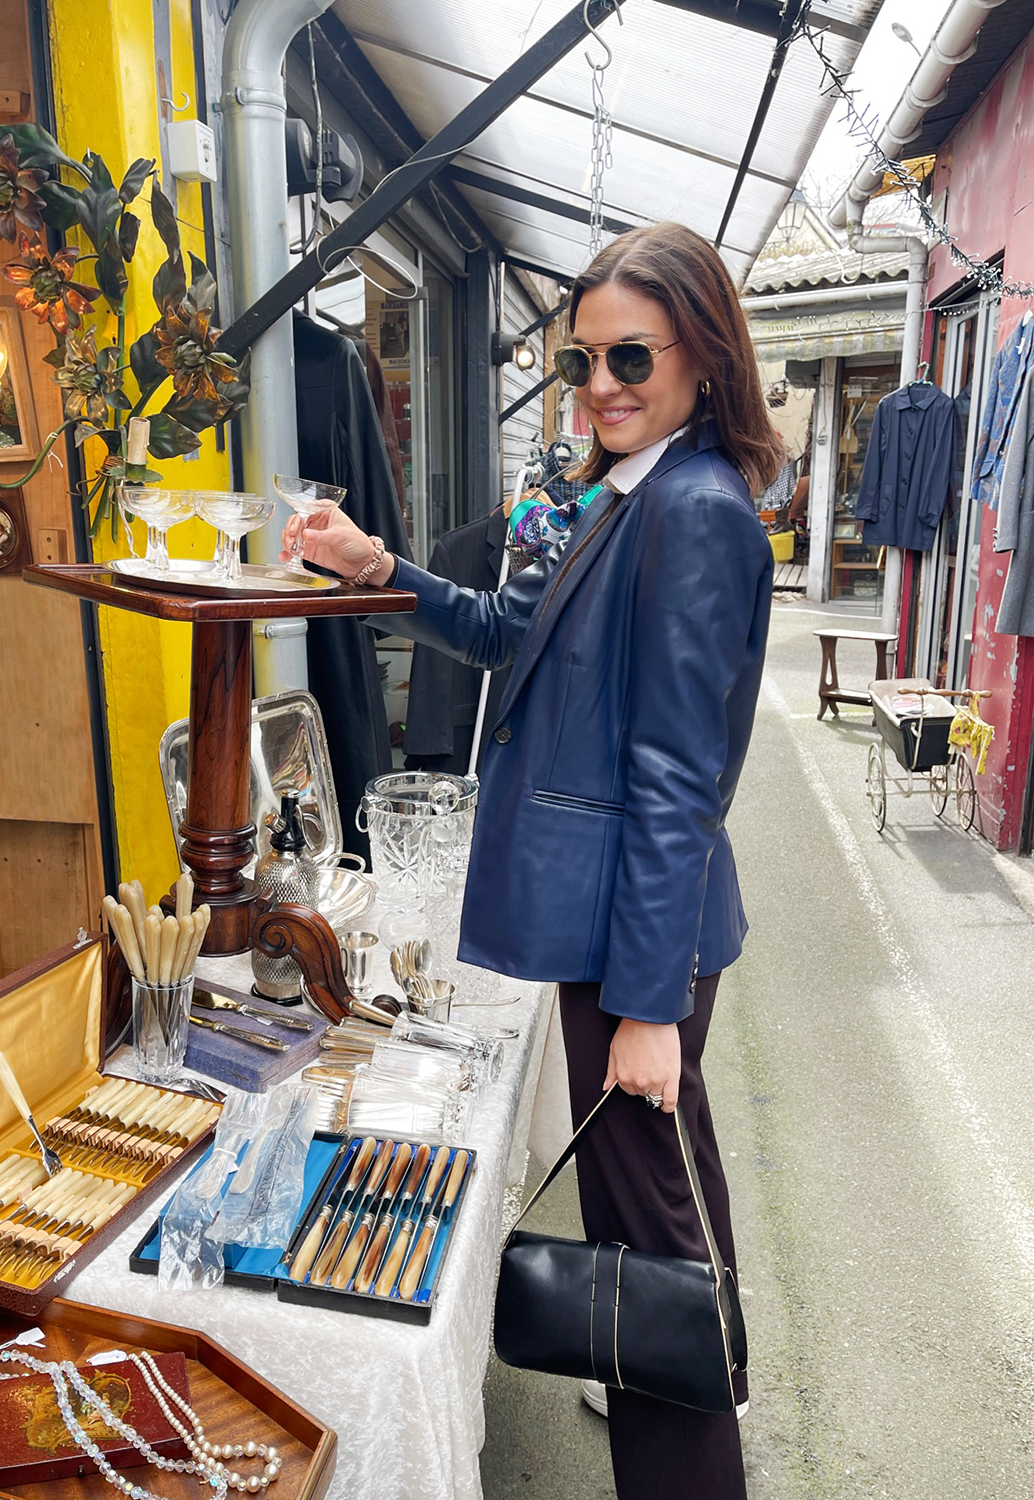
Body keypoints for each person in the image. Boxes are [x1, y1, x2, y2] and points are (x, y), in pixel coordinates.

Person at [282, 222, 781, 1500]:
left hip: (633, 937)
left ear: (704, 356)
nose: (601, 384)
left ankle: (688, 1457)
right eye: (582, 360)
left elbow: (680, 777)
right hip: (616, 926)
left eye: (630, 356)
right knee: (666, 1205)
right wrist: (377, 567)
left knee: (647, 1231)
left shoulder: (698, 509)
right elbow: (513, 628)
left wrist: (649, 1009)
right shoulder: (637, 490)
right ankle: (696, 1377)